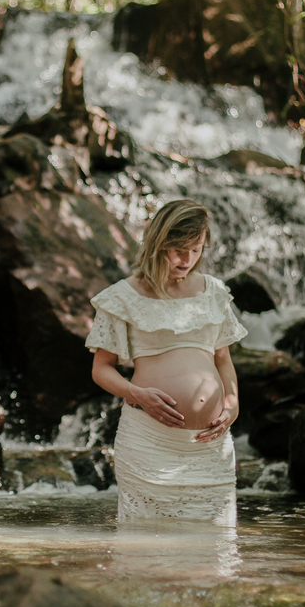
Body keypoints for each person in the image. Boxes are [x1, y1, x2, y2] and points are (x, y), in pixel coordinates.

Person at [85, 199, 247, 526]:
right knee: (147, 545)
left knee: (213, 553)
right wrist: (136, 393)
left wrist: (232, 405)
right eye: (178, 249)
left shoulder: (214, 292)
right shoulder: (122, 297)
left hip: (210, 449)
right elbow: (101, 369)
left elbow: (223, 361)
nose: (187, 259)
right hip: (148, 441)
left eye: (196, 249)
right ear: (158, 243)